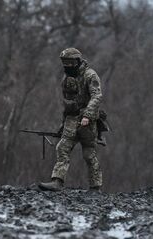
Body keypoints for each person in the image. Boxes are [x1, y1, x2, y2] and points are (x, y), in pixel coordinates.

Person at [39, 48, 108, 192]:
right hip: (71, 119)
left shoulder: (90, 75)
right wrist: (62, 124)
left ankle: (96, 187)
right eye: (64, 63)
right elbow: (68, 103)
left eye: (70, 63)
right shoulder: (67, 79)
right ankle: (57, 181)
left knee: (89, 154)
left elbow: (97, 96)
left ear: (77, 61)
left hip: (87, 122)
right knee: (62, 147)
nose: (67, 66)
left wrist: (87, 116)